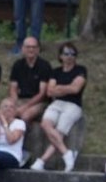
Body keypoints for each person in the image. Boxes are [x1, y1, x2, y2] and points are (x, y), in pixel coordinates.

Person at [31, 42, 86, 172]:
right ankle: (67, 153)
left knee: (60, 131)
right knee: (46, 124)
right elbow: (50, 92)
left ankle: (41, 161)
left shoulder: (80, 70)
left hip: (73, 105)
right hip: (57, 103)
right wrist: (67, 87)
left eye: (72, 54)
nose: (69, 56)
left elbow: (76, 89)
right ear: (60, 56)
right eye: (66, 53)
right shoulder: (55, 71)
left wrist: (60, 88)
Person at [8, 36, 50, 124]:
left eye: (34, 47)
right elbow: (13, 88)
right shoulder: (17, 65)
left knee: (25, 116)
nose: (31, 50)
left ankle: (19, 137)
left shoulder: (45, 66)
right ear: (22, 48)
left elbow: (42, 94)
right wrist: (14, 103)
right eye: (28, 47)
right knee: (2, 112)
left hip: (38, 102)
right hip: (20, 99)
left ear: (38, 49)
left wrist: (25, 106)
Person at [0, 99, 25, 170]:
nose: (8, 109)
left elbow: (11, 140)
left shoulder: (19, 123)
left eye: (11, 107)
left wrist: (5, 124)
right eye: (5, 106)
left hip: (12, 156)